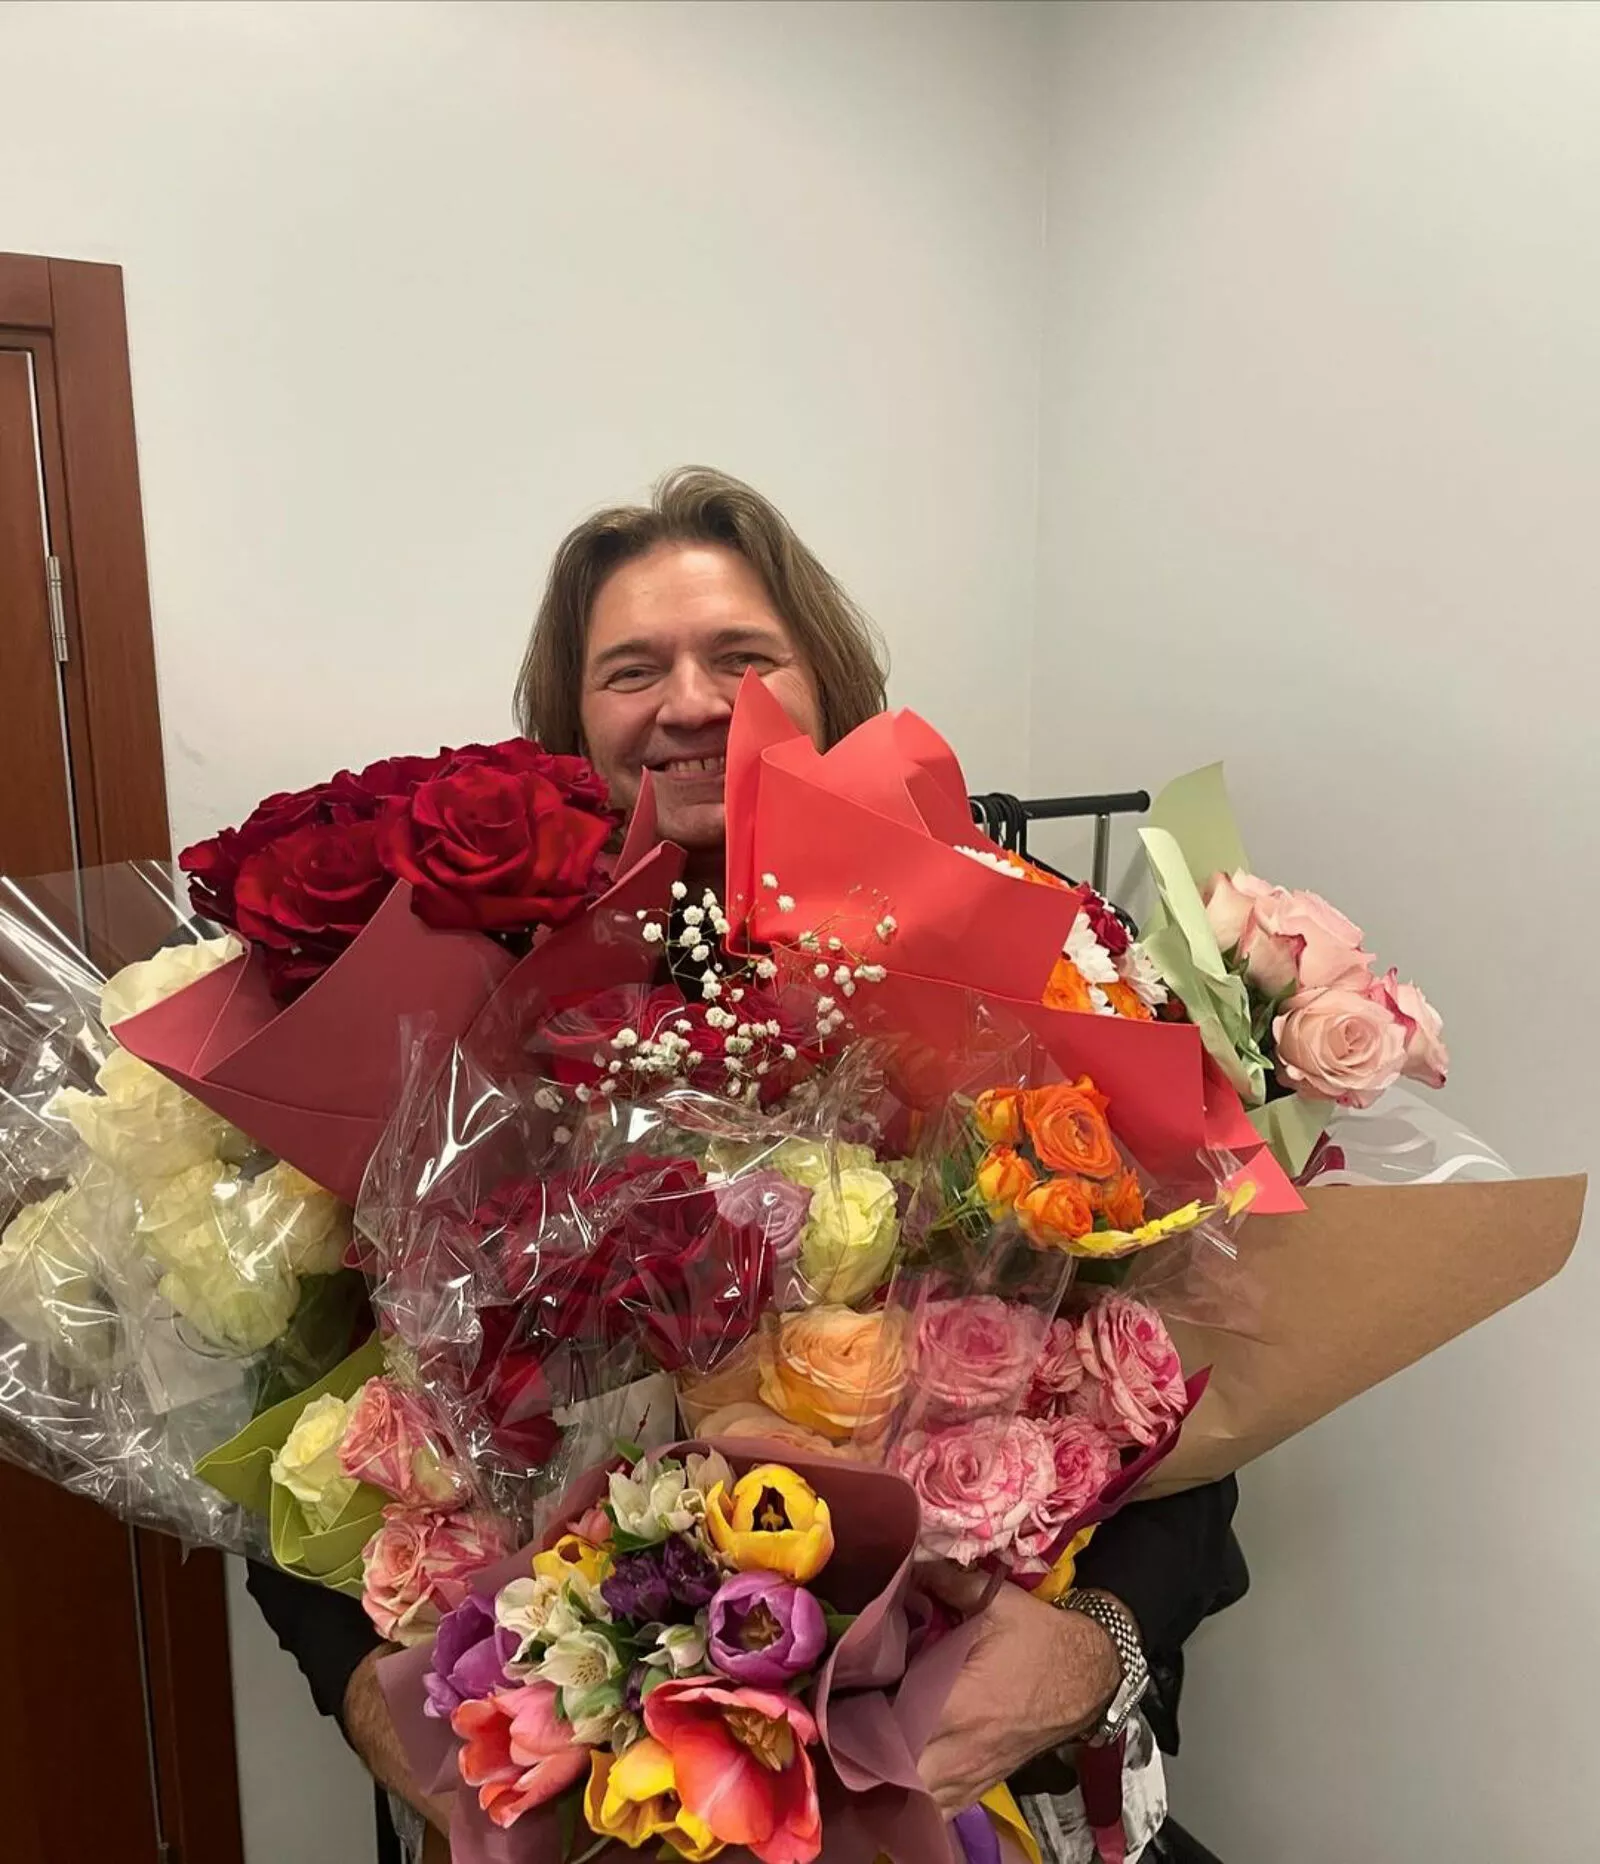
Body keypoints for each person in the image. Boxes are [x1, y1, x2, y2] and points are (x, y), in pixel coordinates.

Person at [248, 467, 1246, 1862]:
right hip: (592, 1786)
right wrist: (377, 1700)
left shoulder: (1011, 954)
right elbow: (293, 1428)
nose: (692, 703)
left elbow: (1185, 1405)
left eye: (743, 658)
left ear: (827, 686)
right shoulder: (462, 997)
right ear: (570, 722)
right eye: (631, 669)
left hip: (965, 1783)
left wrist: (1095, 1650)